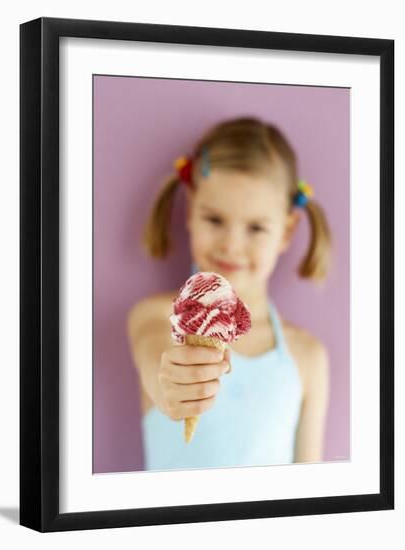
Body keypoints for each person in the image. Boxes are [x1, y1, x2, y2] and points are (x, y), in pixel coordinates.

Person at [127, 116, 331, 471]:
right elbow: (154, 359)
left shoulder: (308, 357)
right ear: (190, 210)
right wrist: (169, 387)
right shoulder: (156, 317)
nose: (232, 245)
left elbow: (309, 489)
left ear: (286, 232)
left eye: (256, 227)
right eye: (215, 220)